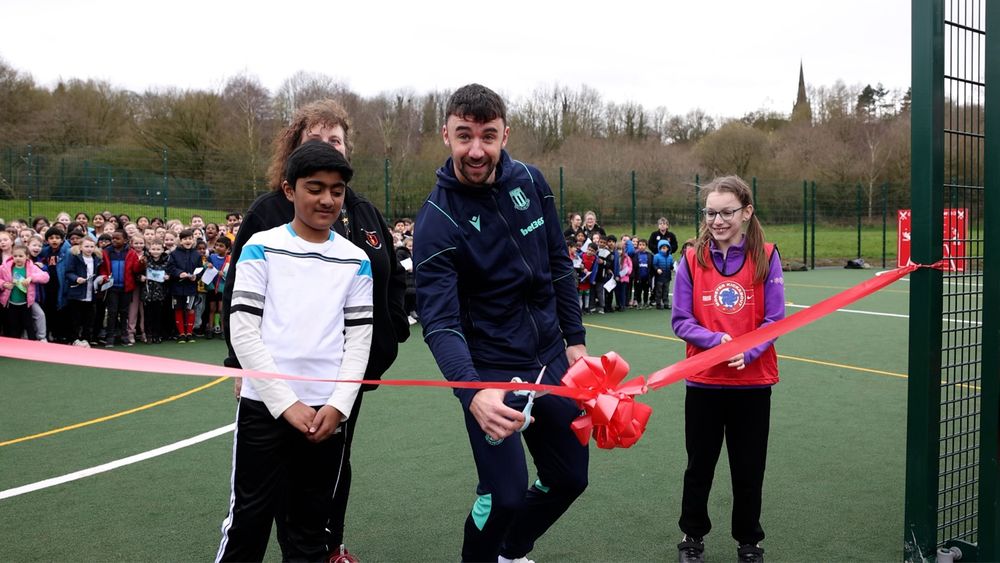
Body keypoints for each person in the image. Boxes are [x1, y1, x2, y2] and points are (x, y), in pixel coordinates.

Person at [222, 98, 408, 561]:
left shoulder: (356, 258)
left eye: (336, 190)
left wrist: (339, 405)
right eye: (314, 188)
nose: (326, 199)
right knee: (249, 519)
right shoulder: (261, 246)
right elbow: (243, 329)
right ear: (289, 189)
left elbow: (359, 336)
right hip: (267, 406)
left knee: (309, 531)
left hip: (328, 413)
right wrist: (285, 404)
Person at [413, 83, 588, 562]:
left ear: (505, 134)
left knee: (571, 477)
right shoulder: (435, 220)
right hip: (491, 370)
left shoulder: (532, 183)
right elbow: (441, 322)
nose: (476, 149)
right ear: (445, 133)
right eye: (464, 135)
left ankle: (511, 550)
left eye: (488, 136)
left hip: (550, 359)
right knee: (503, 494)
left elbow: (558, 264)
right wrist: (473, 391)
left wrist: (574, 340)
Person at [671, 175, 784, 563]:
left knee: (748, 469)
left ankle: (748, 542)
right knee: (699, 466)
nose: (717, 221)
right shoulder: (690, 258)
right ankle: (692, 537)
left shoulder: (767, 255)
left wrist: (748, 350)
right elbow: (681, 320)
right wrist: (715, 343)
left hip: (752, 384)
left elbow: (776, 319)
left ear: (747, 212)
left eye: (726, 212)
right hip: (703, 381)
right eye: (710, 213)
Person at [98, 229, 143, 348]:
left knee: (124, 313)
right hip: (111, 287)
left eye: (117, 238)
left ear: (125, 240)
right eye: (113, 238)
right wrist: (104, 276)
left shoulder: (131, 253)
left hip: (126, 287)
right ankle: (110, 338)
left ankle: (124, 336)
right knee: (112, 312)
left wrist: (142, 263)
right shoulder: (106, 252)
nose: (114, 240)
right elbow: (102, 268)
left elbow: (135, 269)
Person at [1, 245, 49, 338]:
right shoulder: (5, 267)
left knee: (28, 325)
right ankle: (13, 348)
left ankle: (32, 344)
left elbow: (46, 277)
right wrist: (3, 284)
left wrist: (31, 278)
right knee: (13, 326)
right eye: (15, 256)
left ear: (27, 256)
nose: (18, 258)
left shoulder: (32, 267)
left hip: (26, 303)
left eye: (21, 256)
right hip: (10, 303)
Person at [65, 237, 102, 346]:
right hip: (77, 293)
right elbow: (68, 272)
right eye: (86, 246)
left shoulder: (96, 259)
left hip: (91, 293)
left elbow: (97, 273)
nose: (89, 249)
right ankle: (74, 339)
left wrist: (101, 279)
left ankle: (86, 339)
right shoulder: (75, 258)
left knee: (89, 318)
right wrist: (76, 278)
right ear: (80, 247)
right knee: (75, 318)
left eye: (91, 246)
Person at [167, 228, 200, 342]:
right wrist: (179, 273)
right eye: (185, 239)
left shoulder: (197, 254)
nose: (188, 241)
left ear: (193, 240)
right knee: (178, 309)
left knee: (190, 309)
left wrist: (196, 277)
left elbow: (200, 269)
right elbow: (170, 268)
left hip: (191, 287)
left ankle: (189, 333)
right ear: (180, 241)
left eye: (190, 239)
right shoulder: (174, 254)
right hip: (177, 287)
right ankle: (181, 334)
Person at [141, 239, 170, 344]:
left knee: (158, 315)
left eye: (158, 249)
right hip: (148, 292)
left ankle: (157, 335)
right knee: (148, 315)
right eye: (153, 249)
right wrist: (141, 277)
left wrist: (168, 277)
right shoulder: (145, 260)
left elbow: (170, 272)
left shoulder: (166, 260)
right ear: (150, 249)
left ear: (162, 250)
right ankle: (149, 335)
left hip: (160, 292)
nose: (156, 251)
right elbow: (137, 272)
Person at [653, 239, 674, 310]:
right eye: (662, 248)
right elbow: (654, 265)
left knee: (666, 290)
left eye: (666, 248)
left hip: (667, 277)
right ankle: (658, 303)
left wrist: (673, 267)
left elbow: (671, 265)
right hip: (659, 277)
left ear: (668, 248)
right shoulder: (656, 256)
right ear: (659, 248)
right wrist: (657, 269)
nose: (664, 249)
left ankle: (666, 303)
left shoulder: (670, 257)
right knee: (659, 291)